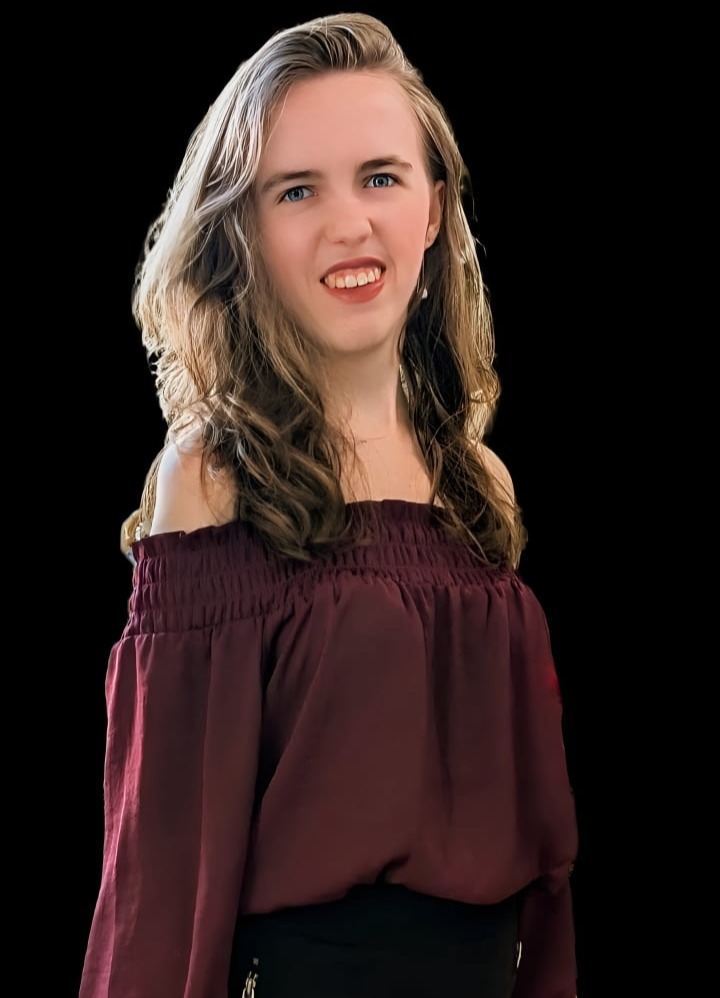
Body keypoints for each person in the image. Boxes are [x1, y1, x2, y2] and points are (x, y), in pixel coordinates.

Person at [80, 12, 578, 998]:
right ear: (247, 232)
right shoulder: (211, 481)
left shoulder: (482, 486)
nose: (349, 222)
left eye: (381, 176)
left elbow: (543, 871)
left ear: (433, 210)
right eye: (297, 189)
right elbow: (162, 864)